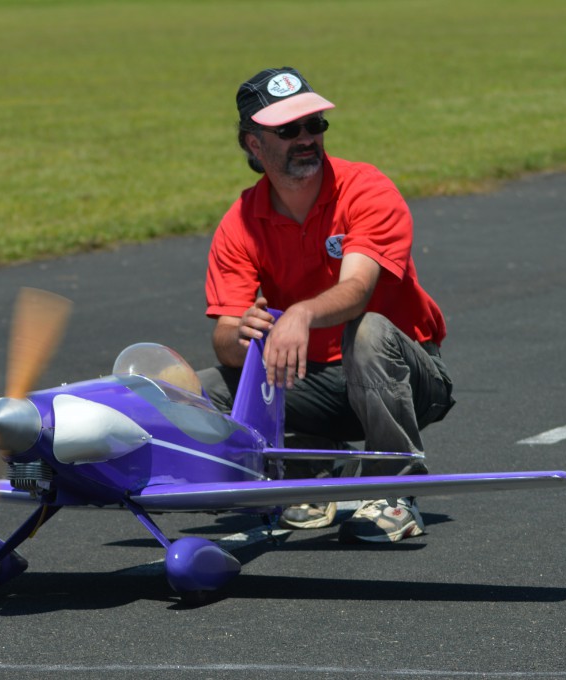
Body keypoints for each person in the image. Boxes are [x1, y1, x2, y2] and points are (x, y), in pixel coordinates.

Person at [198, 67, 455, 543]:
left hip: (406, 379)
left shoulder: (366, 188)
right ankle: (311, 470)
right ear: (254, 145)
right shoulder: (240, 223)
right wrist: (243, 334)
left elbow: (358, 288)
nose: (307, 138)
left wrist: (300, 312)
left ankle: (395, 492)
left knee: (368, 330)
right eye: (288, 129)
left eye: (314, 124)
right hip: (314, 381)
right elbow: (224, 337)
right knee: (206, 389)